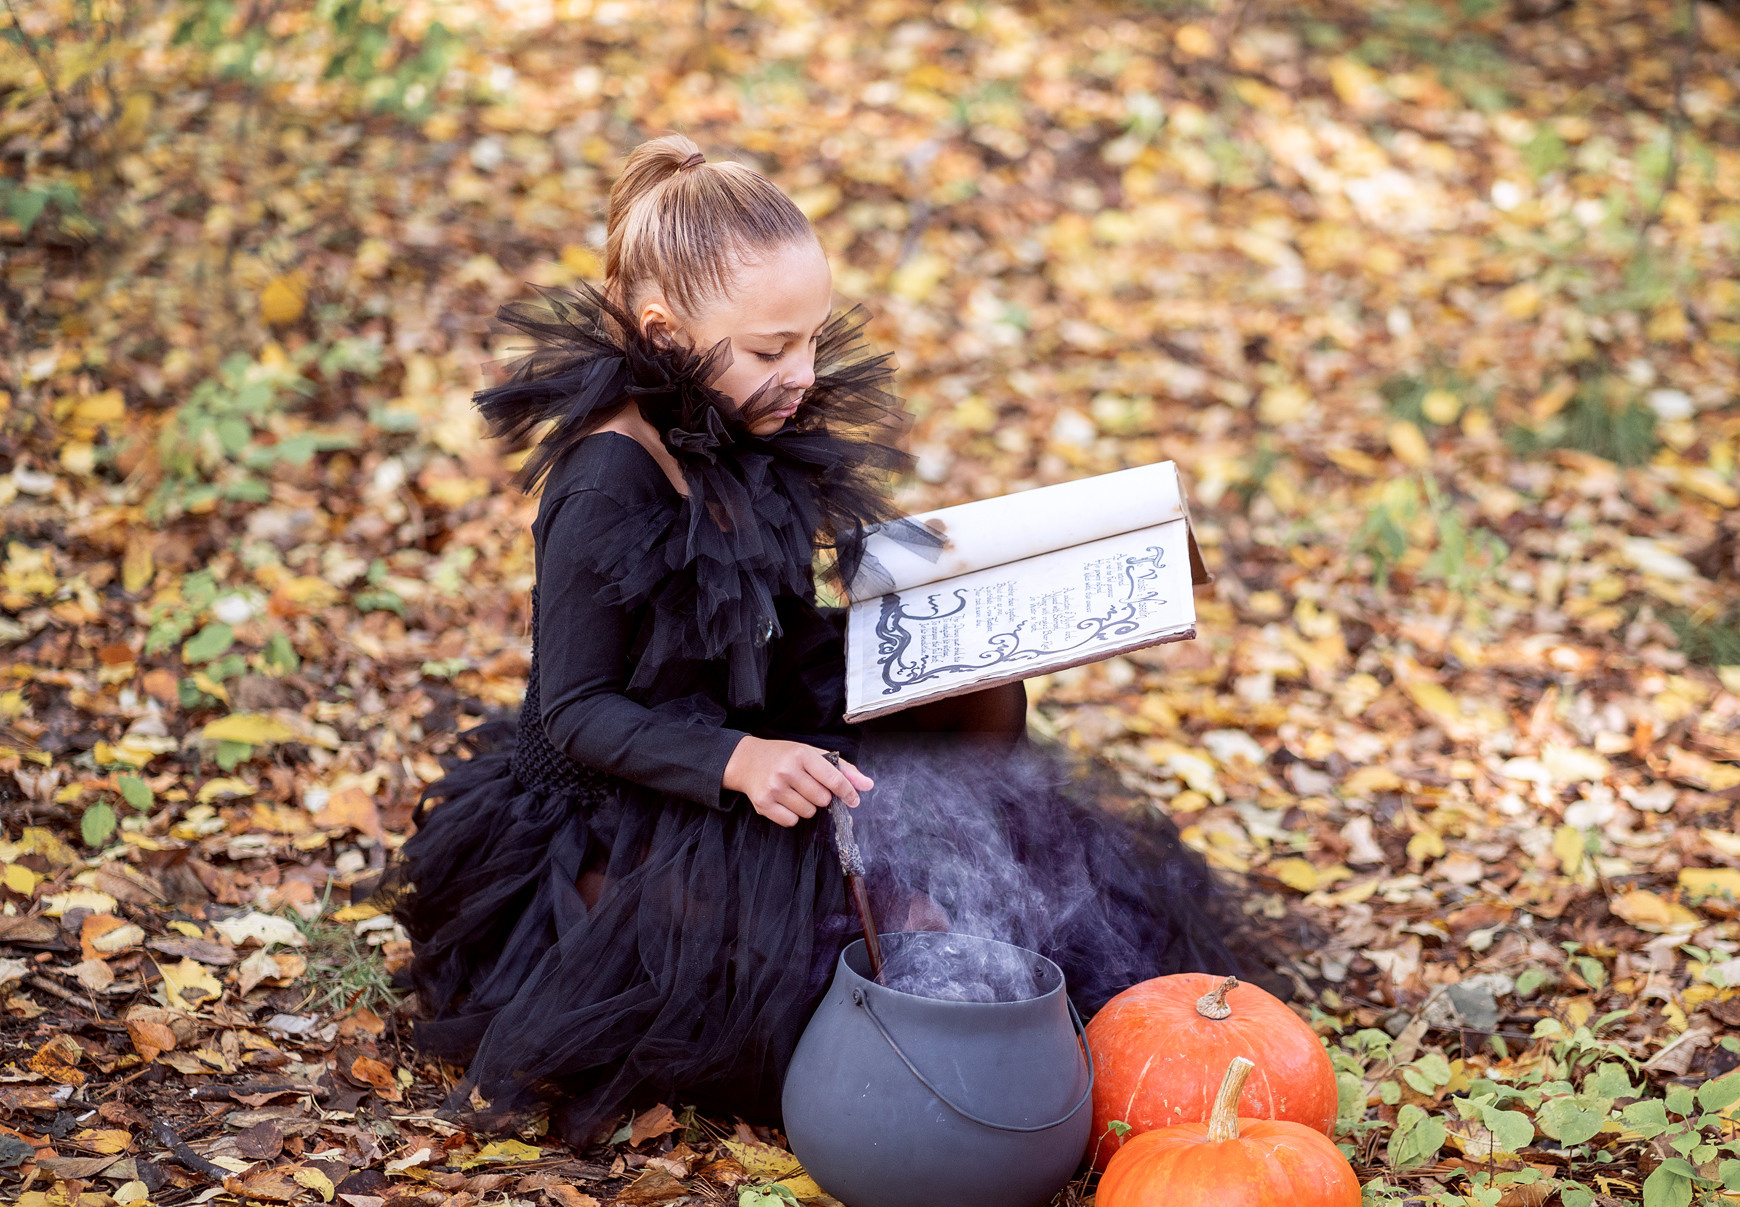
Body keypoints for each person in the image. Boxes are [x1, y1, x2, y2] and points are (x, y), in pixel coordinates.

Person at [391, 133, 1237, 1144]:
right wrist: (738, 759)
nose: (799, 373)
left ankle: (986, 958)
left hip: (752, 724)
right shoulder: (606, 478)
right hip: (631, 800)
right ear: (663, 334)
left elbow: (772, 636)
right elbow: (572, 713)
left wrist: (948, 627)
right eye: (767, 349)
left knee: (976, 708)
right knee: (868, 928)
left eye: (810, 340)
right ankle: (921, 1028)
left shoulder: (751, 425)